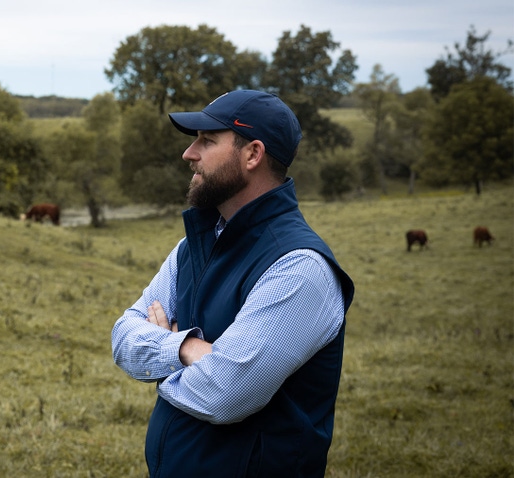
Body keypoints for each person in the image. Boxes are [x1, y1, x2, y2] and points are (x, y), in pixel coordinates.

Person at [111, 90, 355, 477]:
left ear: (252, 155)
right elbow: (123, 338)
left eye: (207, 141)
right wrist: (188, 349)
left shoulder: (298, 267)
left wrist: (163, 351)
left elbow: (224, 394)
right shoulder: (193, 247)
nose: (189, 153)